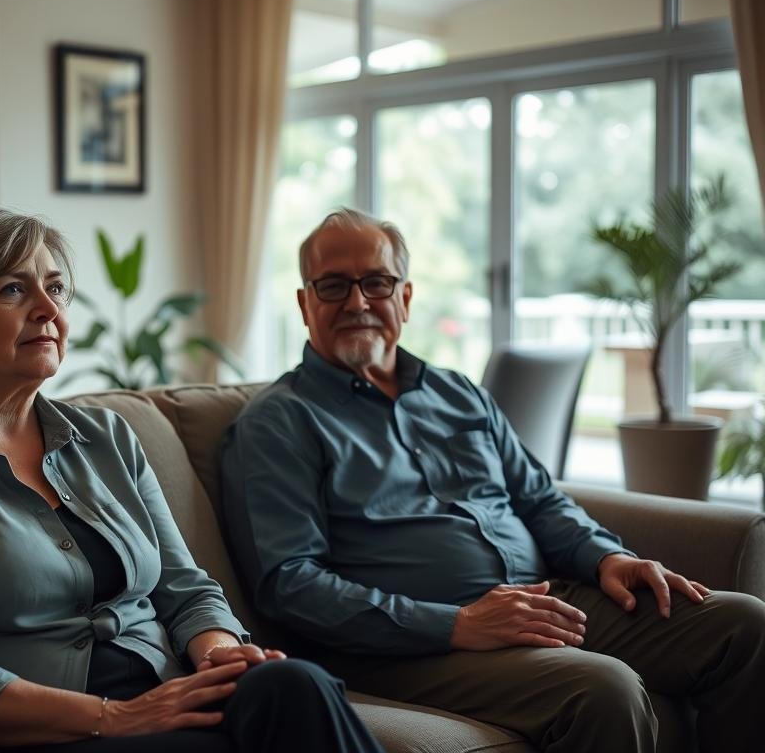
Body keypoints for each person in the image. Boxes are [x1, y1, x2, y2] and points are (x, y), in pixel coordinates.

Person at [0, 200, 383, 753]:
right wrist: (116, 717)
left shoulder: (108, 438)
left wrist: (218, 654)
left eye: (55, 287)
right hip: (55, 727)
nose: (48, 309)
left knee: (296, 683)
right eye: (12, 289)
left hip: (167, 690)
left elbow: (184, 589)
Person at [220, 207, 765, 753]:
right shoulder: (279, 421)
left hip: (543, 600)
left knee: (745, 624)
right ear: (304, 303)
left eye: (376, 283)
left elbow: (539, 497)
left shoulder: (458, 393)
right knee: (604, 689)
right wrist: (457, 624)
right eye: (333, 285)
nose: (357, 302)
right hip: (409, 648)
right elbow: (290, 583)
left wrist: (606, 558)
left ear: (404, 298)